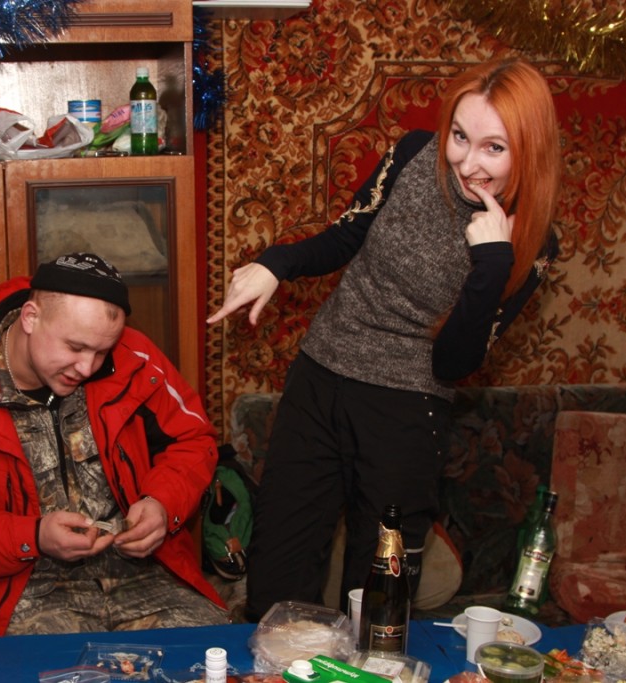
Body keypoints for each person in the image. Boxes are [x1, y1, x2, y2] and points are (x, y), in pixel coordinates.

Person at [206, 57, 562, 621]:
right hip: (320, 379)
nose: (467, 163)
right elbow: (347, 234)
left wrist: (493, 262)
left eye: (493, 148)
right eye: (460, 137)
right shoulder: (414, 153)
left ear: (529, 151)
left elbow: (453, 362)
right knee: (277, 578)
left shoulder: (533, 243)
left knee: (377, 600)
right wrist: (277, 263)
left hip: (407, 412)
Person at [0, 252, 228, 640]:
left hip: (145, 577)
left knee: (214, 656)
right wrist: (32, 536)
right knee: (52, 666)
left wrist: (162, 503)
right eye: (75, 347)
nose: (87, 367)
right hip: (17, 592)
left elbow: (193, 440)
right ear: (30, 317)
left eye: (101, 352)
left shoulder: (134, 358)